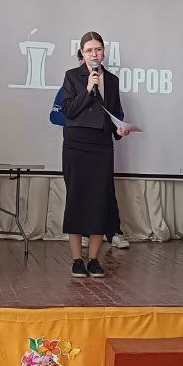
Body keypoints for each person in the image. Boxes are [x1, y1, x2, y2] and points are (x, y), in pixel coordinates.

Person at [61, 31, 132, 278]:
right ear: (82, 53)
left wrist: (119, 131)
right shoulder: (72, 76)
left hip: (101, 146)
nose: (94, 54)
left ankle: (93, 259)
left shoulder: (111, 80)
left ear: (104, 52)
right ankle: (76, 260)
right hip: (76, 145)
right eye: (90, 50)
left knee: (99, 202)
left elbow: (112, 114)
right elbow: (68, 110)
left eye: (98, 49)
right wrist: (88, 88)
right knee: (76, 200)